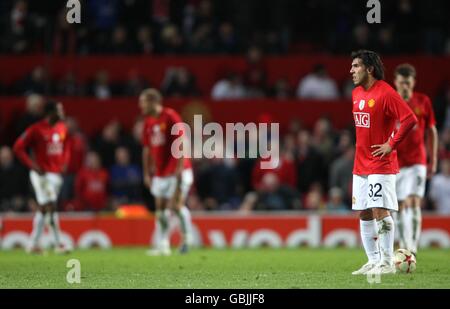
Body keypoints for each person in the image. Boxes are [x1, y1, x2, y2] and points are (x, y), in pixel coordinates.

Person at [349, 50, 417, 275]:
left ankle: (388, 261)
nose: (351, 71)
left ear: (369, 69)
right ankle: (373, 260)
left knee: (380, 210)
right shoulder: (356, 94)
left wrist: (391, 144)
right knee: (365, 212)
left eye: (356, 66)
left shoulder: (386, 92)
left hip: (381, 163)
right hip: (360, 164)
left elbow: (409, 119)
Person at [139, 88, 194, 255]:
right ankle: (163, 245)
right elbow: (147, 149)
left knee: (175, 206)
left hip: (178, 170)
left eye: (143, 102)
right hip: (161, 173)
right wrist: (147, 173)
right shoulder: (148, 122)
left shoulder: (170, 116)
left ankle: (186, 239)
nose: (140, 106)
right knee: (160, 209)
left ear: (153, 102)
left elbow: (182, 141)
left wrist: (179, 168)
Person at [13, 101, 71, 254]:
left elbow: (67, 147)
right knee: (51, 204)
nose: (63, 113)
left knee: (44, 208)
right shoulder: (36, 129)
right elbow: (18, 147)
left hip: (56, 175)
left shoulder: (62, 128)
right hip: (41, 175)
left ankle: (33, 244)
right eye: (60, 110)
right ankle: (58, 244)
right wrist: (32, 165)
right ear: (51, 113)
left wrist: (65, 162)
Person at [393, 64, 438, 256]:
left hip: (417, 161)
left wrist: (433, 159)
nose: (404, 86)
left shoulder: (422, 101)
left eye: (408, 83)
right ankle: (404, 244)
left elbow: (432, 131)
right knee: (399, 205)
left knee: (413, 201)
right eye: (401, 82)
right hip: (395, 163)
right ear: (395, 82)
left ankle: (413, 246)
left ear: (413, 82)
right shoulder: (389, 102)